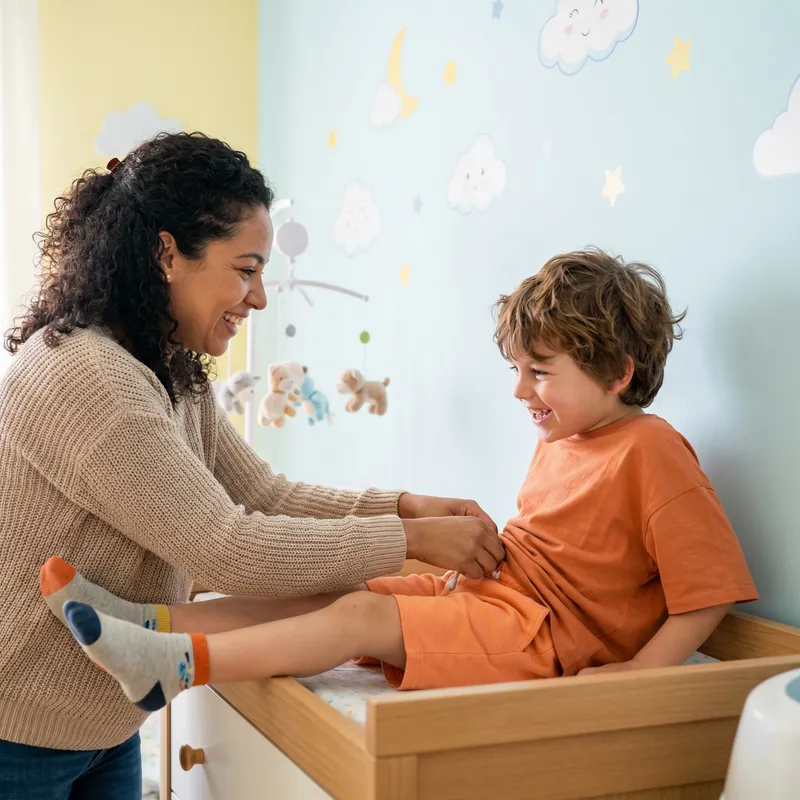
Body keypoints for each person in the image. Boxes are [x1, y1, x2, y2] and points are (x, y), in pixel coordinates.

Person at [0, 132, 503, 799]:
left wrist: (403, 506)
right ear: (166, 254)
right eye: (245, 269)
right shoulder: (91, 378)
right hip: (21, 726)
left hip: (102, 721)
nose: (260, 297)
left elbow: (262, 494)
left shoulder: (170, 367)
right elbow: (230, 550)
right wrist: (407, 542)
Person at [45, 249, 758, 709]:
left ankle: (174, 664)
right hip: (505, 598)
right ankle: (143, 621)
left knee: (360, 617)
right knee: (335, 586)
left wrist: (645, 675)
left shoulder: (653, 452)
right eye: (517, 371)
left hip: (544, 637)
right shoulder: (572, 437)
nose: (520, 393)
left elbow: (711, 592)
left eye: (539, 373)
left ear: (618, 374)